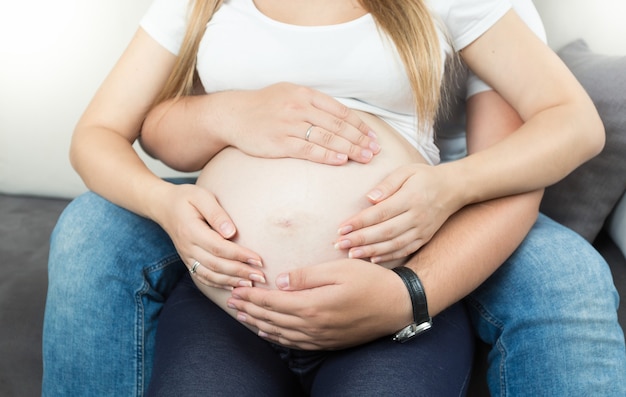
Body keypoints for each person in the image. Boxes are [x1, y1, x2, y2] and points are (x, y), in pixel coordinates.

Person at [41, 0, 626, 395]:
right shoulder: (204, 7)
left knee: (564, 269)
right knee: (91, 222)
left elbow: (560, 130)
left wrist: (423, 263)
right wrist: (210, 138)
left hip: (396, 257)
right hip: (233, 286)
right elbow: (126, 130)